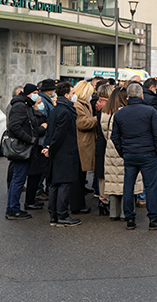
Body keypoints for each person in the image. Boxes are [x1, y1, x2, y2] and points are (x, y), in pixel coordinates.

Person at [111, 83, 157, 230]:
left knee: (128, 186)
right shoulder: (150, 111)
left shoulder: (119, 113)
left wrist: (122, 152)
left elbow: (115, 137)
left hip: (129, 154)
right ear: (141, 95)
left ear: (127, 96)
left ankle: (130, 218)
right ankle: (153, 218)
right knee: (150, 187)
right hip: (148, 153)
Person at [43, 82, 82, 227]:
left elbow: (50, 131)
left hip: (57, 153)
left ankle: (54, 215)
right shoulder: (66, 111)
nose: (74, 96)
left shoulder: (56, 109)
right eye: (72, 93)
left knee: (55, 184)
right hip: (65, 153)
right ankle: (62, 215)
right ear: (66, 95)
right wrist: (51, 148)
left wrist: (47, 147)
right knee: (64, 184)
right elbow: (59, 134)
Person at [6, 83, 44, 220]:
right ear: (28, 93)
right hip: (22, 148)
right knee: (18, 179)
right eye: (35, 92)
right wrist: (29, 139)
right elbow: (14, 126)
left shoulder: (25, 105)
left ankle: (12, 208)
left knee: (18, 179)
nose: (37, 95)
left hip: (26, 147)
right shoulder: (20, 106)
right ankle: (13, 209)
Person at [102, 87, 140, 220]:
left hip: (109, 148)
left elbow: (105, 133)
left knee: (113, 183)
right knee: (127, 182)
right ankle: (126, 212)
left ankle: (114, 213)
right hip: (123, 148)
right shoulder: (124, 112)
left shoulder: (105, 112)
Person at [73, 80, 97, 214]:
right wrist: (96, 119)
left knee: (81, 176)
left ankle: (79, 203)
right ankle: (77, 205)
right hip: (81, 143)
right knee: (78, 177)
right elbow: (82, 123)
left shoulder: (84, 104)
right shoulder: (78, 105)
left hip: (85, 142)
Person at [94, 84, 113, 214]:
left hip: (100, 142)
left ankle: (103, 200)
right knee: (108, 173)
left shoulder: (98, 106)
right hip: (107, 143)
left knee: (102, 174)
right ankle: (105, 200)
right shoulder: (109, 109)